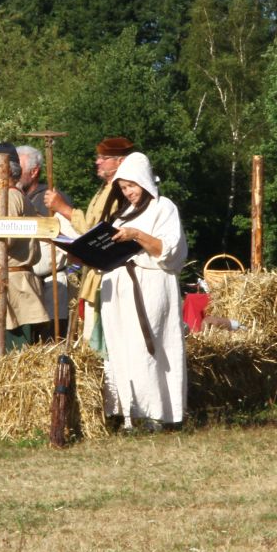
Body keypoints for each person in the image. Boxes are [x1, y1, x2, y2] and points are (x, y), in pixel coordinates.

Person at [98, 152, 188, 430]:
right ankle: (129, 415)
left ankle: (154, 415)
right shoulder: (123, 214)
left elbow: (169, 251)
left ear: (144, 181)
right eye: (123, 188)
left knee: (145, 349)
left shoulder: (164, 207)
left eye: (132, 186)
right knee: (122, 348)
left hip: (150, 287)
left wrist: (136, 234)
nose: (128, 192)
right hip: (119, 289)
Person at [43, 135, 136, 352]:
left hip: (108, 274)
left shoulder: (118, 192)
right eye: (98, 157)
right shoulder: (105, 189)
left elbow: (98, 232)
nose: (97, 161)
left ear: (120, 161)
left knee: (101, 342)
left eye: (104, 158)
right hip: (95, 274)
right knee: (89, 339)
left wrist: (63, 208)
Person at [0, 142, 49, 353]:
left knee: (10, 357)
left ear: (4, 170)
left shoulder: (10, 197)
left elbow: (4, 240)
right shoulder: (6, 197)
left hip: (13, 292)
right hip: (6, 285)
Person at [16, 144, 73, 338]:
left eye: (18, 169)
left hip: (51, 285)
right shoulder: (15, 198)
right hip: (23, 287)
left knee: (50, 342)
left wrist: (42, 222)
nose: (13, 173)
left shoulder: (53, 199)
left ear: (34, 172)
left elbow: (68, 239)